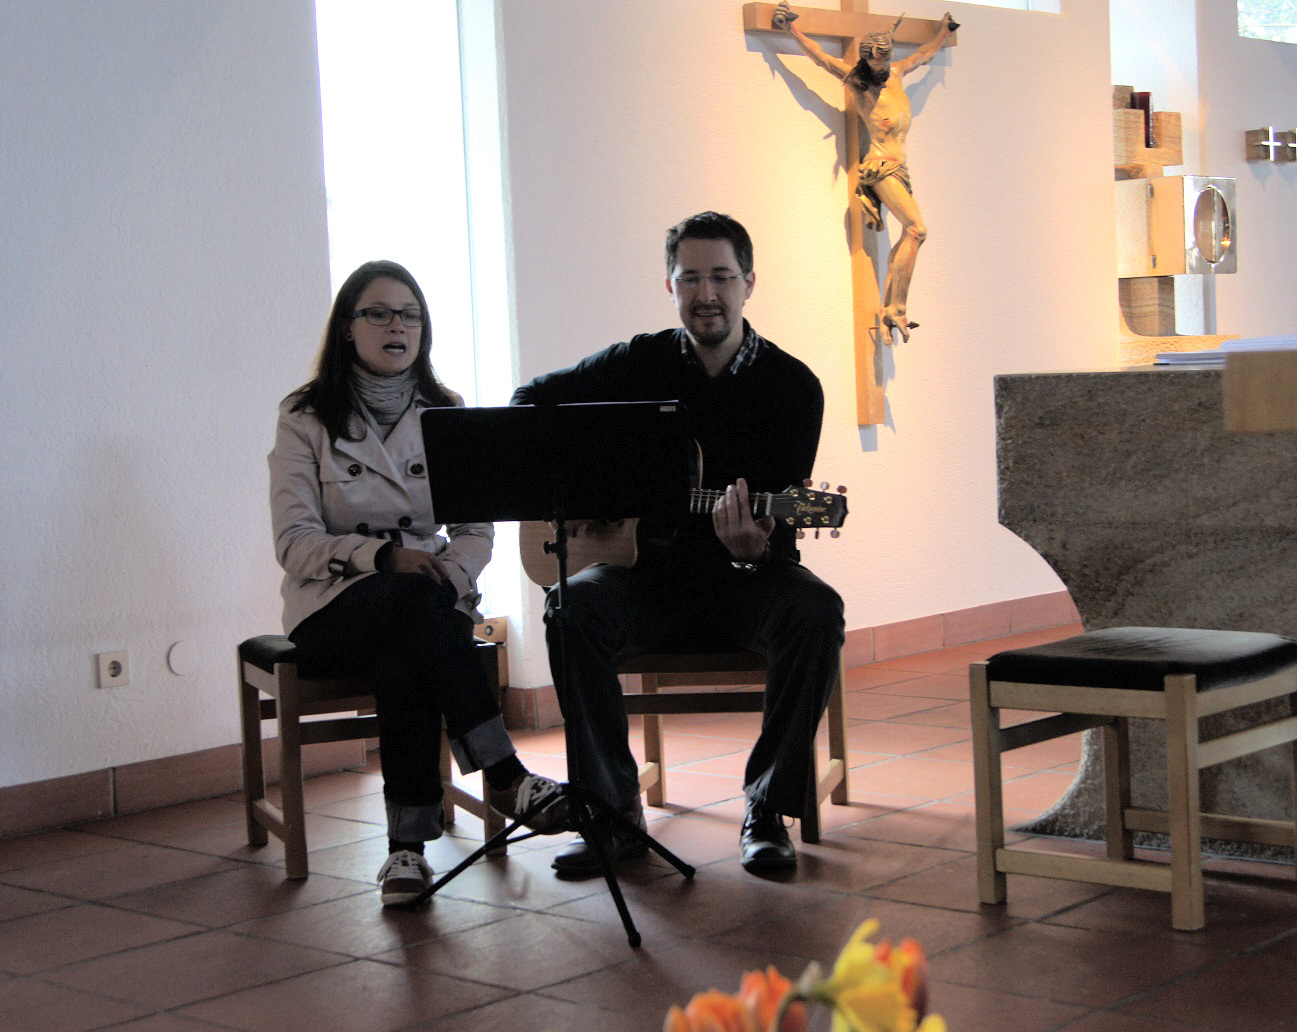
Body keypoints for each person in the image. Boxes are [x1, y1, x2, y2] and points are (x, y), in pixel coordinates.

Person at [511, 213, 845, 876]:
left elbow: (776, 531)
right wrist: (592, 486)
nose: (706, 294)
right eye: (690, 278)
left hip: (746, 580)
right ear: (669, 286)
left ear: (749, 283)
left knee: (816, 611)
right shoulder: (636, 363)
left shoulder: (792, 388)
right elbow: (528, 403)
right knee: (570, 608)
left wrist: (750, 549)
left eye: (721, 276)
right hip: (642, 580)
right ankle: (613, 814)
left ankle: (767, 808)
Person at [269, 259, 569, 907]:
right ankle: (504, 774)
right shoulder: (305, 416)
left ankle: (406, 853)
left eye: (409, 315)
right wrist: (383, 559)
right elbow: (293, 544)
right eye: (378, 313)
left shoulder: (446, 411)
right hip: (331, 610)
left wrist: (448, 576)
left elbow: (474, 529)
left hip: (425, 605)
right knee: (412, 608)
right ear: (347, 327)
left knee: (405, 653)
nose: (396, 326)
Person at [773, 1, 959, 343]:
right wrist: (792, 28)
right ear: (866, 59)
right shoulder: (860, 84)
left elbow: (923, 55)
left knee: (913, 233)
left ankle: (892, 306)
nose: (882, 66)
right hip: (880, 167)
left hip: (901, 168)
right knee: (917, 229)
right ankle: (896, 308)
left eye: (886, 59)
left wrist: (944, 33)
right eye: (876, 61)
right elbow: (820, 57)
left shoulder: (897, 72)